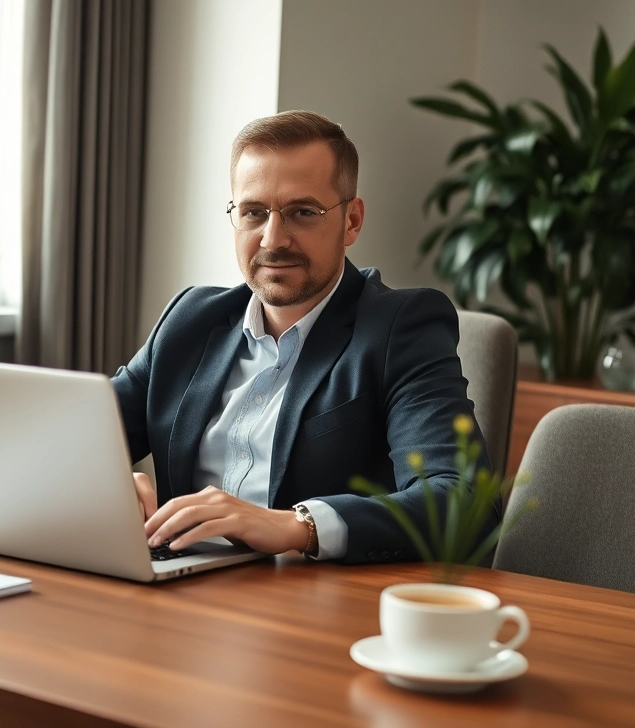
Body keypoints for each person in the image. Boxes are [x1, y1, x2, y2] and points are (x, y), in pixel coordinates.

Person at [111, 110, 497, 564]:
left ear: (352, 221)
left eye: (302, 213)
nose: (274, 239)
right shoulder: (189, 319)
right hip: (173, 587)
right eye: (254, 212)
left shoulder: (401, 327)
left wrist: (299, 526)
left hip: (309, 606)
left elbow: (463, 502)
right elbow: (78, 439)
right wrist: (107, 479)